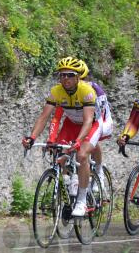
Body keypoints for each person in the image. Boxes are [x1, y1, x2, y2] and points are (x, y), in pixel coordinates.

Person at [22, 57, 98, 217]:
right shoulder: (56, 91)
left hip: (90, 124)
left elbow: (88, 121)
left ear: (78, 77)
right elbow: (44, 117)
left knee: (82, 154)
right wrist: (32, 137)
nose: (65, 78)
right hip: (71, 124)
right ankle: (69, 188)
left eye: (70, 75)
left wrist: (78, 141)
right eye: (61, 75)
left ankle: (82, 201)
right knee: (60, 156)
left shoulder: (87, 91)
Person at [47, 59, 113, 188]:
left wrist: (83, 140)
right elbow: (56, 117)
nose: (67, 80)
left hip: (99, 120)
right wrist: (51, 138)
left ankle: (98, 170)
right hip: (75, 122)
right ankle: (67, 183)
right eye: (63, 75)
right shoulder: (63, 92)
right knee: (60, 152)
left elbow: (96, 118)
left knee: (91, 144)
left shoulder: (92, 90)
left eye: (72, 76)